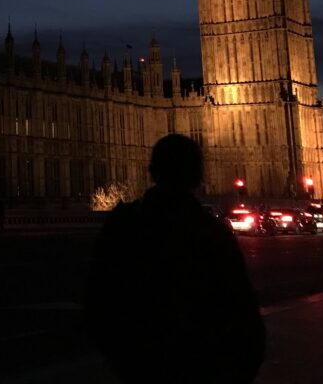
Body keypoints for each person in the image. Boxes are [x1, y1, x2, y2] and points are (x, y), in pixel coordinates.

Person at [85, 134, 264, 384]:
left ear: (152, 172)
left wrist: (122, 360)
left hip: (142, 365)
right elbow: (246, 320)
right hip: (201, 367)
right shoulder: (212, 234)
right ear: (197, 177)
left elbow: (98, 300)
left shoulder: (125, 226)